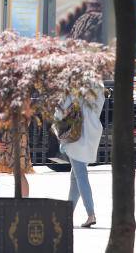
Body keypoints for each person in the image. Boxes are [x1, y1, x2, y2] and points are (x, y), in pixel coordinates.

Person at [56, 79, 105, 228]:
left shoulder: (70, 83)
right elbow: (100, 104)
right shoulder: (96, 83)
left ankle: (91, 214)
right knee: (76, 175)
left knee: (80, 174)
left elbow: (60, 110)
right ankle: (68, 214)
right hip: (92, 130)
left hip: (74, 132)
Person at [0, 96, 32, 197]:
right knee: (19, 174)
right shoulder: (23, 83)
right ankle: (24, 208)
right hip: (19, 129)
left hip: (0, 129)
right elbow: (28, 111)